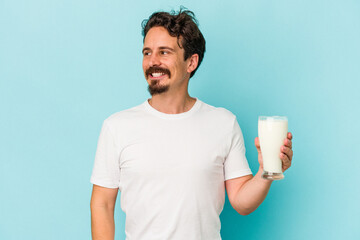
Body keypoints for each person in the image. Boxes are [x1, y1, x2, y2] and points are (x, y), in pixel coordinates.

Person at [90, 8, 293, 240]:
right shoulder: (117, 127)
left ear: (191, 62)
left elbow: (241, 202)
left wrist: (267, 170)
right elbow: (102, 204)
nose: (152, 62)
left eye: (164, 52)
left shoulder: (223, 123)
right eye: (147, 53)